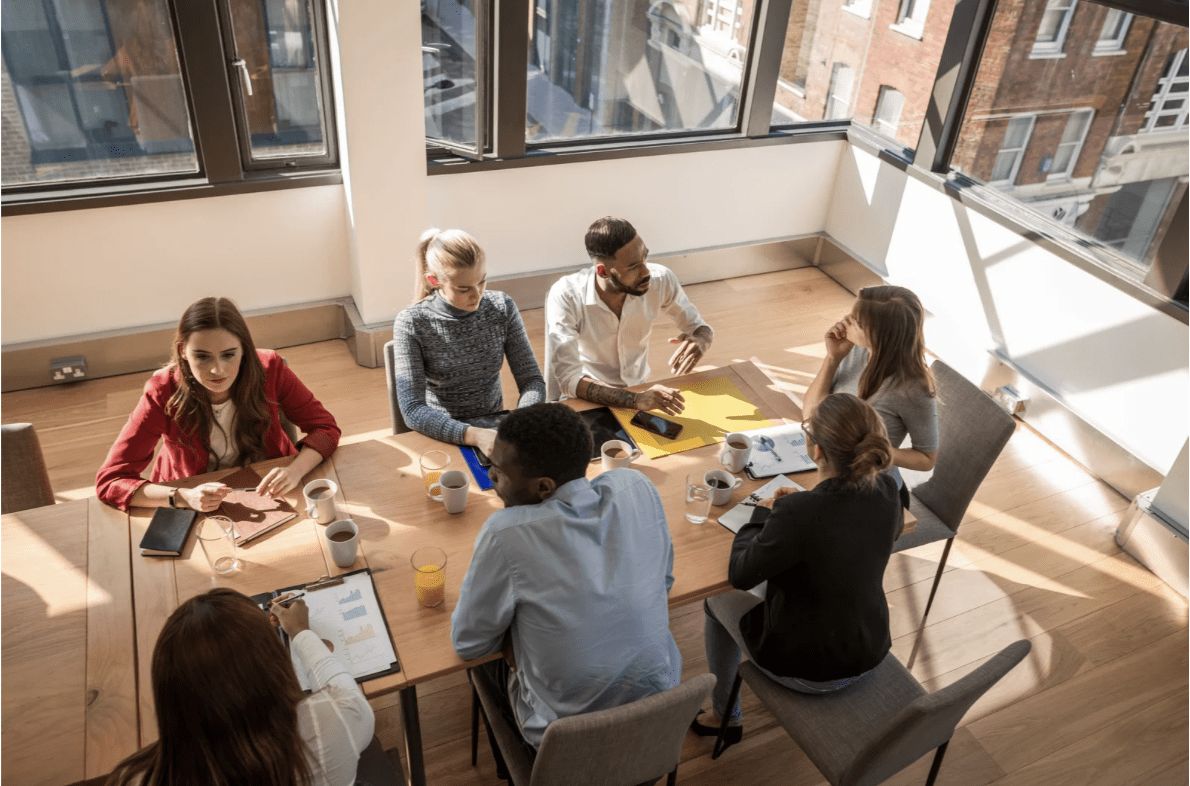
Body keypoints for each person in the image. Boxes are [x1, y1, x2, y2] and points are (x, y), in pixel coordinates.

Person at [451, 403, 681, 757]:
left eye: (498, 471)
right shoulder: (635, 485)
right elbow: (664, 582)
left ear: (544, 486)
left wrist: (517, 641)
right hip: (657, 727)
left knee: (481, 667)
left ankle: (512, 764)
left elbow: (468, 644)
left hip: (566, 749)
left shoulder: (505, 533)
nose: (491, 477)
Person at [691, 393, 902, 752]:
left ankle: (724, 717)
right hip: (870, 648)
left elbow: (740, 575)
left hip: (809, 669)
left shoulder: (798, 513)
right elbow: (854, 529)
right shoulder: (887, 489)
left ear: (815, 450)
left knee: (714, 602)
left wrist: (764, 513)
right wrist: (799, 507)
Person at [105, 588, 374, 786]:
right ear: (271, 669)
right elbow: (344, 691)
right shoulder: (333, 722)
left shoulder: (134, 777)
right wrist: (301, 632)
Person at [96, 297, 340, 512]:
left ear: (243, 350)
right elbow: (110, 481)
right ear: (183, 351)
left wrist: (295, 471)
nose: (217, 370)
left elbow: (325, 428)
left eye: (229, 354)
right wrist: (182, 497)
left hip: (269, 486)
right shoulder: (162, 391)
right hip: (193, 495)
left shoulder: (271, 369)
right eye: (202, 356)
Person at [392, 228, 545, 457]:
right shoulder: (412, 322)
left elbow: (532, 380)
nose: (477, 295)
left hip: (494, 430)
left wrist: (520, 422)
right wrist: (474, 435)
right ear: (434, 281)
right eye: (463, 289)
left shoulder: (502, 307)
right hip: (442, 434)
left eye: (482, 282)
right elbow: (413, 409)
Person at [545, 216, 713, 416]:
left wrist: (702, 338)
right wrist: (635, 400)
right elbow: (568, 379)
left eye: (645, 258)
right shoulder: (566, 295)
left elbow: (697, 326)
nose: (646, 272)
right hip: (585, 400)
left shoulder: (661, 279)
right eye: (633, 267)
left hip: (639, 391)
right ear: (603, 271)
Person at [801, 284, 937, 506]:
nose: (846, 321)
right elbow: (811, 414)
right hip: (830, 471)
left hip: (873, 494)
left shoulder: (913, 389)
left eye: (857, 321)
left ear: (879, 335)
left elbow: (927, 459)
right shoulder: (855, 349)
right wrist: (832, 358)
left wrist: (875, 450)